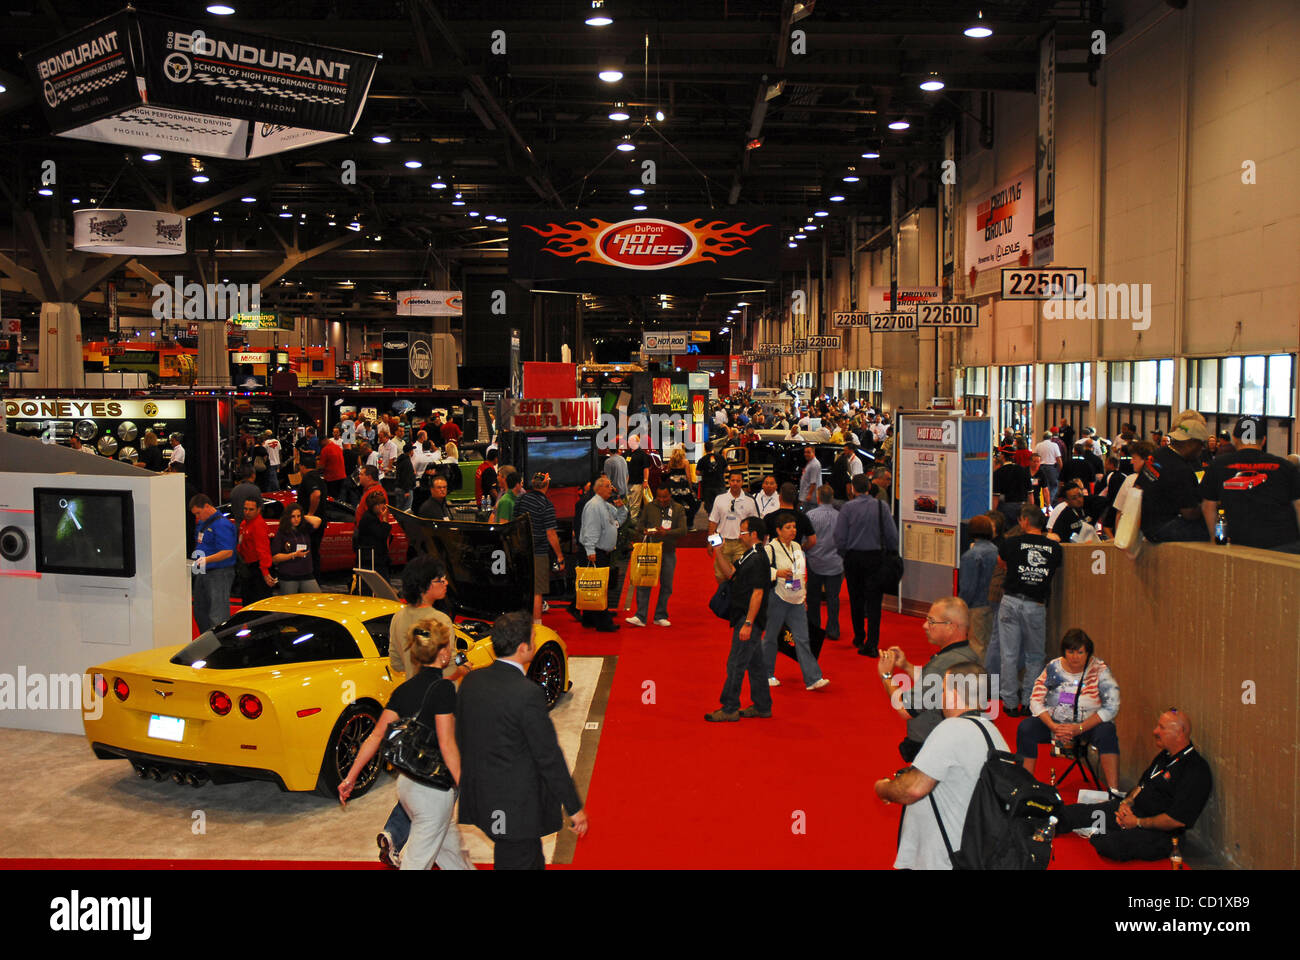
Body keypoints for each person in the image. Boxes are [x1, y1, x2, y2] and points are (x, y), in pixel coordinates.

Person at [456, 612, 588, 869]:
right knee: (518, 859)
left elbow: (462, 737)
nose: (537, 641)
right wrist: (574, 807)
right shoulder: (527, 694)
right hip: (516, 808)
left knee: (527, 859)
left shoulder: (471, 681)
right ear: (523, 648)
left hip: (483, 798)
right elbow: (548, 756)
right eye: (533, 638)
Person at [338, 619, 471, 871]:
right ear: (443, 653)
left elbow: (375, 736)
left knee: (452, 853)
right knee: (416, 863)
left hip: (407, 785)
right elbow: (446, 744)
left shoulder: (403, 690)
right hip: (433, 791)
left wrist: (350, 777)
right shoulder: (444, 690)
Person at [874, 662, 1009, 869]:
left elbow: (912, 788)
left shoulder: (952, 728)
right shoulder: (995, 733)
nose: (941, 696)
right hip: (974, 852)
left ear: (954, 694)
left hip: (943, 859)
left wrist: (883, 788)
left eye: (943, 689)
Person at [1056, 709, 1212, 862]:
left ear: (1180, 732)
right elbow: (1141, 786)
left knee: (1108, 843)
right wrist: (1126, 804)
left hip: (1159, 832)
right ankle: (1040, 825)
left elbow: (1175, 820)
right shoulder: (1165, 756)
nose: (1155, 731)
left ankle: (1113, 831)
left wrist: (1137, 822)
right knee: (1075, 812)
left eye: (1162, 728)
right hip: (1134, 813)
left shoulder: (1196, 770)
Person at [1016, 628, 1121, 788]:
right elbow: (1036, 700)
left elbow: (1112, 706)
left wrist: (1079, 728)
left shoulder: (1100, 670)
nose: (1075, 657)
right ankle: (1025, 785)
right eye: (1070, 652)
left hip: (1087, 725)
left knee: (1107, 732)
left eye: (1080, 652)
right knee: (1026, 728)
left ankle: (1114, 791)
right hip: (1056, 724)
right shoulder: (1053, 668)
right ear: (1064, 651)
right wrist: (1054, 726)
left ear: (1088, 653)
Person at [878, 597, 976, 762]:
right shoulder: (971, 654)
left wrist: (886, 676)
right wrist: (907, 666)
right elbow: (937, 684)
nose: (925, 626)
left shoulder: (941, 664)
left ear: (951, 626)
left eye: (931, 621)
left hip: (933, 748)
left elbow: (905, 710)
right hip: (961, 744)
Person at [992, 505, 1064, 716]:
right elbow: (1056, 567)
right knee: (1035, 655)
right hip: (1036, 604)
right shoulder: (1054, 547)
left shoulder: (1011, 543)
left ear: (1024, 520)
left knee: (1009, 654)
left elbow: (1001, 563)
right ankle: (1028, 700)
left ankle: (1010, 703)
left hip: (1011, 601)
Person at [706, 516, 776, 722]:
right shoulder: (749, 555)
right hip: (746, 617)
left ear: (754, 534)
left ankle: (729, 708)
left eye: (743, 531)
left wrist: (748, 623)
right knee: (756, 664)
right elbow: (731, 574)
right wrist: (718, 550)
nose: (739, 535)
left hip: (748, 619)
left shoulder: (757, 559)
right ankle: (763, 705)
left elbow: (758, 593)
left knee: (736, 663)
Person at [1200, 415, 1300, 552]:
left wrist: (1215, 538)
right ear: (1264, 440)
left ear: (1235, 439)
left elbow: (1208, 506)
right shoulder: (1285, 466)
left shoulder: (1217, 465)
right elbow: (1298, 505)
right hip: (1283, 542)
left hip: (1239, 542)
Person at [761, 511, 828, 691]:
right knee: (771, 637)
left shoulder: (798, 547)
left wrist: (803, 596)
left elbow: (801, 573)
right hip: (778, 597)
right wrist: (777, 573)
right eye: (788, 528)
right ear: (778, 530)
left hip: (796, 599)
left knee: (803, 638)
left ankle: (813, 678)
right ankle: (766, 674)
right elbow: (761, 572)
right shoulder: (770, 549)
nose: (793, 530)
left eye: (794, 527)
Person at [835, 474, 899, 657]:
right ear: (869, 487)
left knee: (856, 599)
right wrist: (889, 553)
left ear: (853, 489)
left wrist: (845, 554)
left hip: (853, 558)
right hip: (876, 558)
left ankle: (859, 636)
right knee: (874, 601)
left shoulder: (847, 508)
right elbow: (892, 536)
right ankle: (872, 642)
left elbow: (839, 537)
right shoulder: (881, 507)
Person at [1137, 413, 1209, 542]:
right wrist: (1208, 505)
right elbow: (1189, 513)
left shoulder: (1158, 454)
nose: (1201, 450)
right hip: (1164, 527)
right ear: (1191, 443)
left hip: (1145, 524)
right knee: (1213, 528)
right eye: (1201, 445)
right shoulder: (1181, 469)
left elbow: (1138, 486)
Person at [627, 484, 686, 627]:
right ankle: (640, 616)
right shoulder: (649, 507)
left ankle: (660, 615)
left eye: (664, 497)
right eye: (659, 497)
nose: (662, 500)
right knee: (644, 583)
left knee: (666, 585)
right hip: (650, 551)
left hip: (668, 552)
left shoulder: (678, 509)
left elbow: (683, 531)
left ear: (670, 496)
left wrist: (667, 533)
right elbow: (639, 526)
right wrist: (645, 531)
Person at [579, 476, 628, 632]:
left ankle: (588, 618)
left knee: (595, 586)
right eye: (607, 486)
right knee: (598, 587)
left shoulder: (604, 505)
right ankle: (603, 622)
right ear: (598, 488)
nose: (610, 489)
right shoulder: (594, 506)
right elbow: (590, 529)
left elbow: (619, 519)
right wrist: (590, 550)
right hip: (596, 552)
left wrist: (621, 507)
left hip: (602, 551)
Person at [515, 473, 565, 623]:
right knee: (537, 591)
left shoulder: (521, 499)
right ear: (547, 485)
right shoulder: (546, 504)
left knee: (524, 589)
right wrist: (560, 556)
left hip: (521, 551)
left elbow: (514, 523)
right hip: (538, 552)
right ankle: (537, 626)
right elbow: (550, 533)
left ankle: (521, 623)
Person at [189, 494, 237, 633]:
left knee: (218, 614)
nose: (198, 517)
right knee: (200, 611)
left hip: (219, 573)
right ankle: (207, 641)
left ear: (207, 506)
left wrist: (206, 560)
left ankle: (219, 645)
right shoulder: (202, 523)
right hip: (203, 571)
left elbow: (227, 551)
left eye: (199, 512)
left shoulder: (222, 525)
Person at [805, 484, 843, 643]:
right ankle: (833, 629)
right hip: (835, 563)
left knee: (813, 598)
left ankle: (814, 627)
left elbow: (806, 539)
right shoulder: (840, 516)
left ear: (818, 497)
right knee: (833, 598)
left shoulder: (810, 515)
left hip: (815, 562)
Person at [958, 515, 998, 662]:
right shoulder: (996, 551)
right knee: (991, 645)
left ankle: (980, 681)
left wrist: (961, 605)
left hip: (977, 606)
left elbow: (968, 587)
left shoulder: (971, 555)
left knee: (977, 646)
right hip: (995, 603)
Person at [707, 469, 759, 583]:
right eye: (733, 480)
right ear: (728, 482)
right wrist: (710, 542)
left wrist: (753, 543)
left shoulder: (750, 501)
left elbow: (755, 523)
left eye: (738, 481)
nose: (735, 483)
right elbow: (713, 521)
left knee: (741, 576)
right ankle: (723, 597)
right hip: (722, 543)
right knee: (720, 575)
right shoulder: (720, 499)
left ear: (742, 482)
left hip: (742, 544)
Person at [270, 503, 323, 595]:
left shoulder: (304, 529)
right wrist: (293, 555)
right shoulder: (282, 533)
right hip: (288, 576)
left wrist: (303, 517)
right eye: (293, 516)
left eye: (298, 516)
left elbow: (318, 521)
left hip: (306, 574)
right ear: (287, 517)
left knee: (317, 598)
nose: (296, 519)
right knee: (290, 604)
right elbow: (275, 558)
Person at [236, 497, 276, 605]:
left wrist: (265, 572)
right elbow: (240, 545)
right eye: (245, 509)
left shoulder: (258, 525)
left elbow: (263, 550)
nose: (247, 512)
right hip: (248, 568)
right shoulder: (244, 524)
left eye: (251, 509)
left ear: (258, 510)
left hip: (258, 569)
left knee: (259, 604)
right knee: (247, 601)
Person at [356, 489, 393, 584]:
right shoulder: (369, 519)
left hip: (374, 557)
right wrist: (384, 519)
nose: (384, 506)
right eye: (382, 504)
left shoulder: (370, 517)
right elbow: (382, 534)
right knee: (382, 584)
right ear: (376, 506)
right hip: (372, 558)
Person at [662, 448, 698, 527]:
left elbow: (668, 472)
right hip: (683, 488)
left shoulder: (671, 462)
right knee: (693, 504)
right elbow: (688, 476)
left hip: (673, 488)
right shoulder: (685, 462)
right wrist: (691, 488)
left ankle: (673, 524)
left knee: (673, 506)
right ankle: (689, 524)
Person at [624, 433, 651, 524]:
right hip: (627, 483)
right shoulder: (627, 453)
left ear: (636, 442)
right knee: (627, 502)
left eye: (630, 441)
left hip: (638, 482)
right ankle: (627, 522)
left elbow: (646, 468)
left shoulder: (642, 454)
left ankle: (633, 521)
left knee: (635, 503)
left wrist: (645, 481)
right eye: (628, 440)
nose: (628, 442)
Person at [1034, 431, 1062, 501]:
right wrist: (1061, 470)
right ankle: (1049, 502)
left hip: (1040, 467)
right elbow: (1058, 459)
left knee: (1042, 486)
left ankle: (1042, 502)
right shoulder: (1054, 445)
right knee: (1053, 486)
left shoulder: (1038, 445)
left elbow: (1034, 457)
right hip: (1051, 468)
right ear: (1051, 438)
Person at [319, 432, 347, 499]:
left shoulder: (325, 450)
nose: (320, 445)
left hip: (332, 478)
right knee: (339, 498)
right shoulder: (338, 447)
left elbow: (321, 467)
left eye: (320, 443)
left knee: (331, 498)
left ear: (324, 440)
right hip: (342, 476)